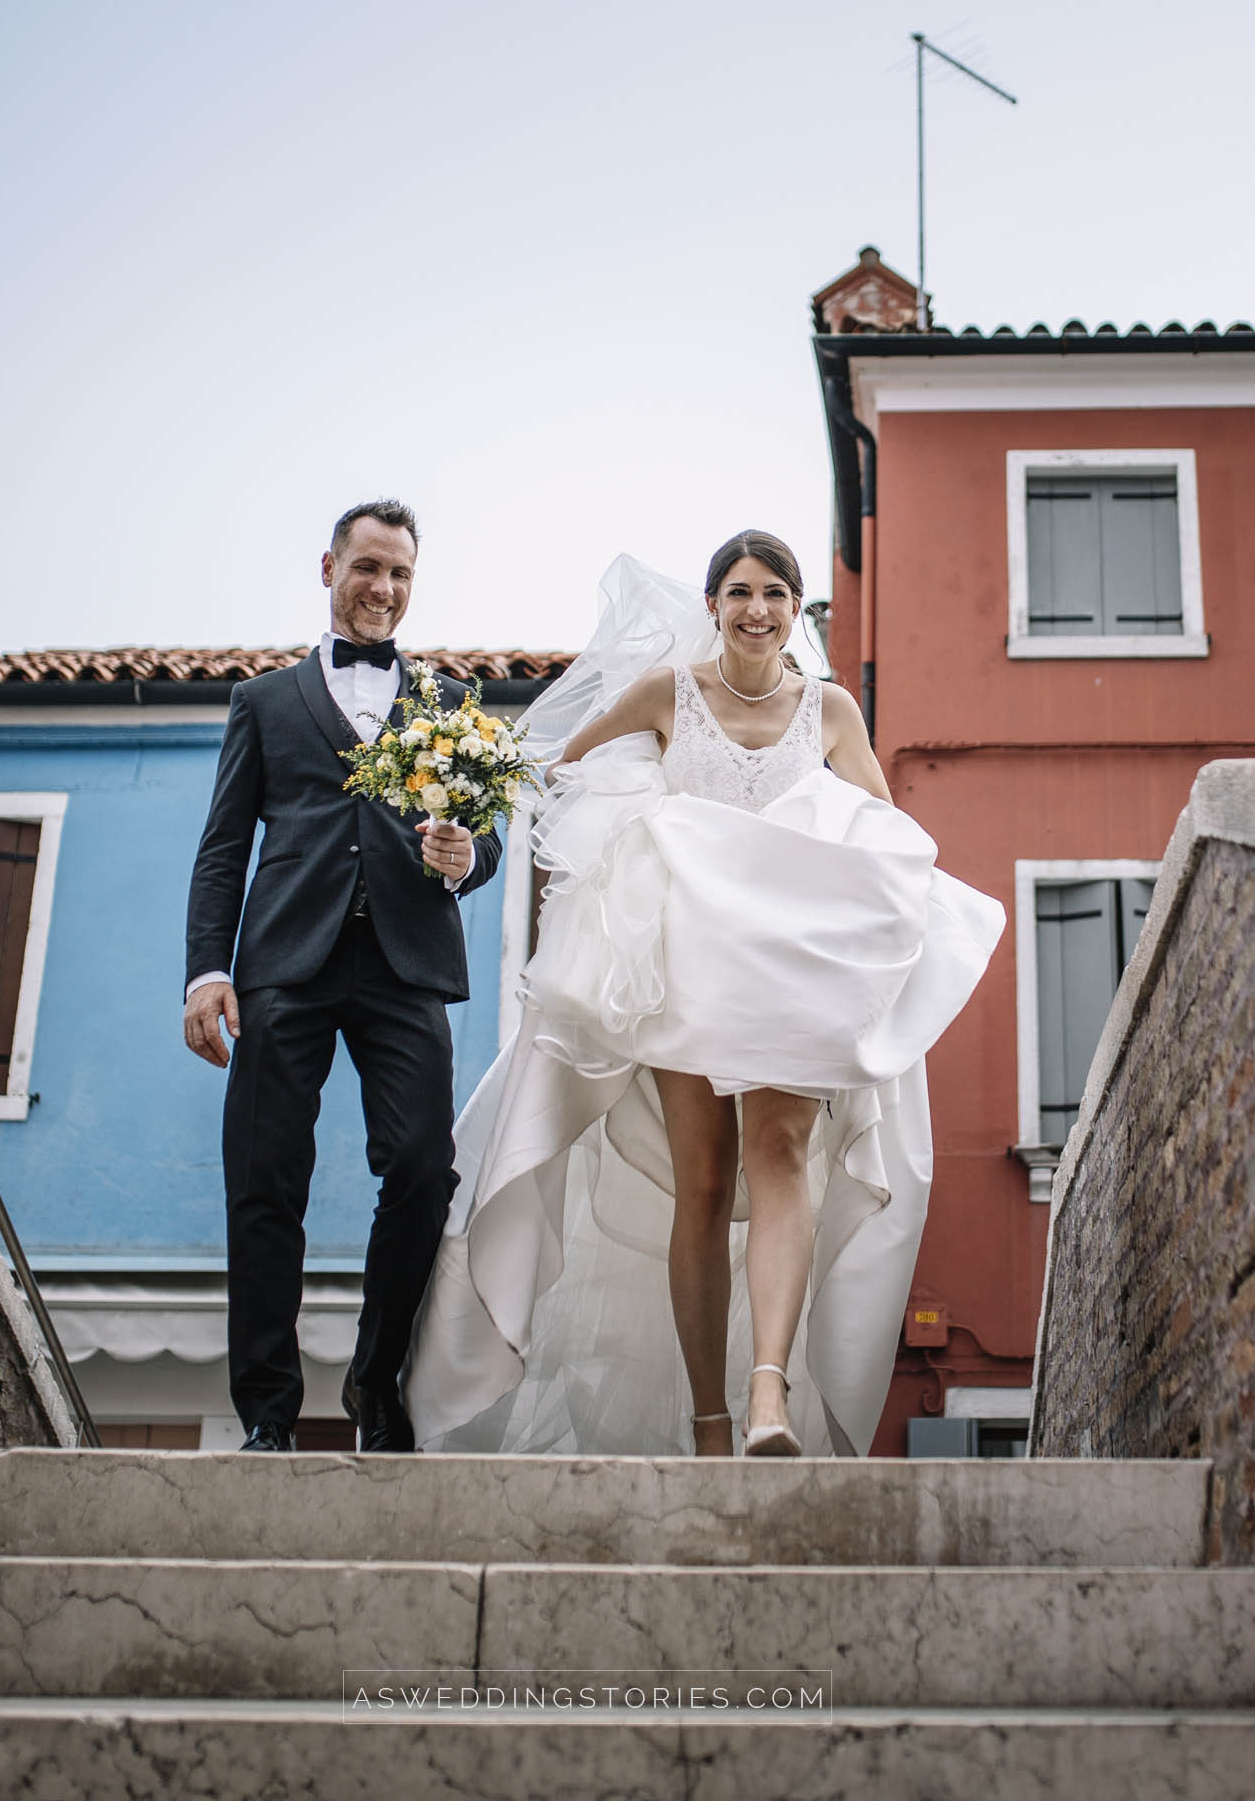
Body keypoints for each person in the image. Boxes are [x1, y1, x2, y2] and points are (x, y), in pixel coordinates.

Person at [405, 534, 1005, 1459]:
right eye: (737, 592)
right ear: (713, 604)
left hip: (789, 977)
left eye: (773, 594)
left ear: (797, 610)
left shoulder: (832, 711)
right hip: (686, 973)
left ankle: (768, 1389)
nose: (755, 609)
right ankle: (707, 1418)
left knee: (780, 1154)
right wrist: (634, 827)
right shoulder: (665, 694)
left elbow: (885, 835)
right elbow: (563, 775)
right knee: (704, 1179)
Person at [183, 500, 502, 1454]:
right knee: (265, 1179)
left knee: (420, 1168)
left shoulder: (450, 706)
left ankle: (374, 1380)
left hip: (406, 966)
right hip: (285, 963)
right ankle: (268, 1416)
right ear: (328, 569)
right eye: (368, 568)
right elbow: (222, 849)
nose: (384, 589)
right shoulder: (266, 703)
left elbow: (483, 843)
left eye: (401, 574)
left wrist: (461, 857)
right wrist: (208, 971)